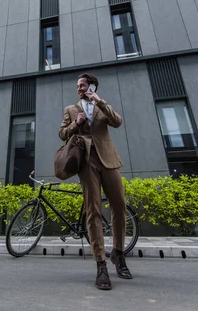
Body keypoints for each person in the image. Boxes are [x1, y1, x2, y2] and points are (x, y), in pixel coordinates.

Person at [59, 73, 132, 290]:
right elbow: (62, 134)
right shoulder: (71, 109)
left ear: (91, 86)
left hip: (108, 159)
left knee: (119, 204)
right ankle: (101, 265)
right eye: (78, 86)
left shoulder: (102, 106)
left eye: (83, 85)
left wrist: (98, 100)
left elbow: (117, 122)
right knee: (93, 210)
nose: (79, 88)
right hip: (86, 161)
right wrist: (75, 124)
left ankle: (118, 254)